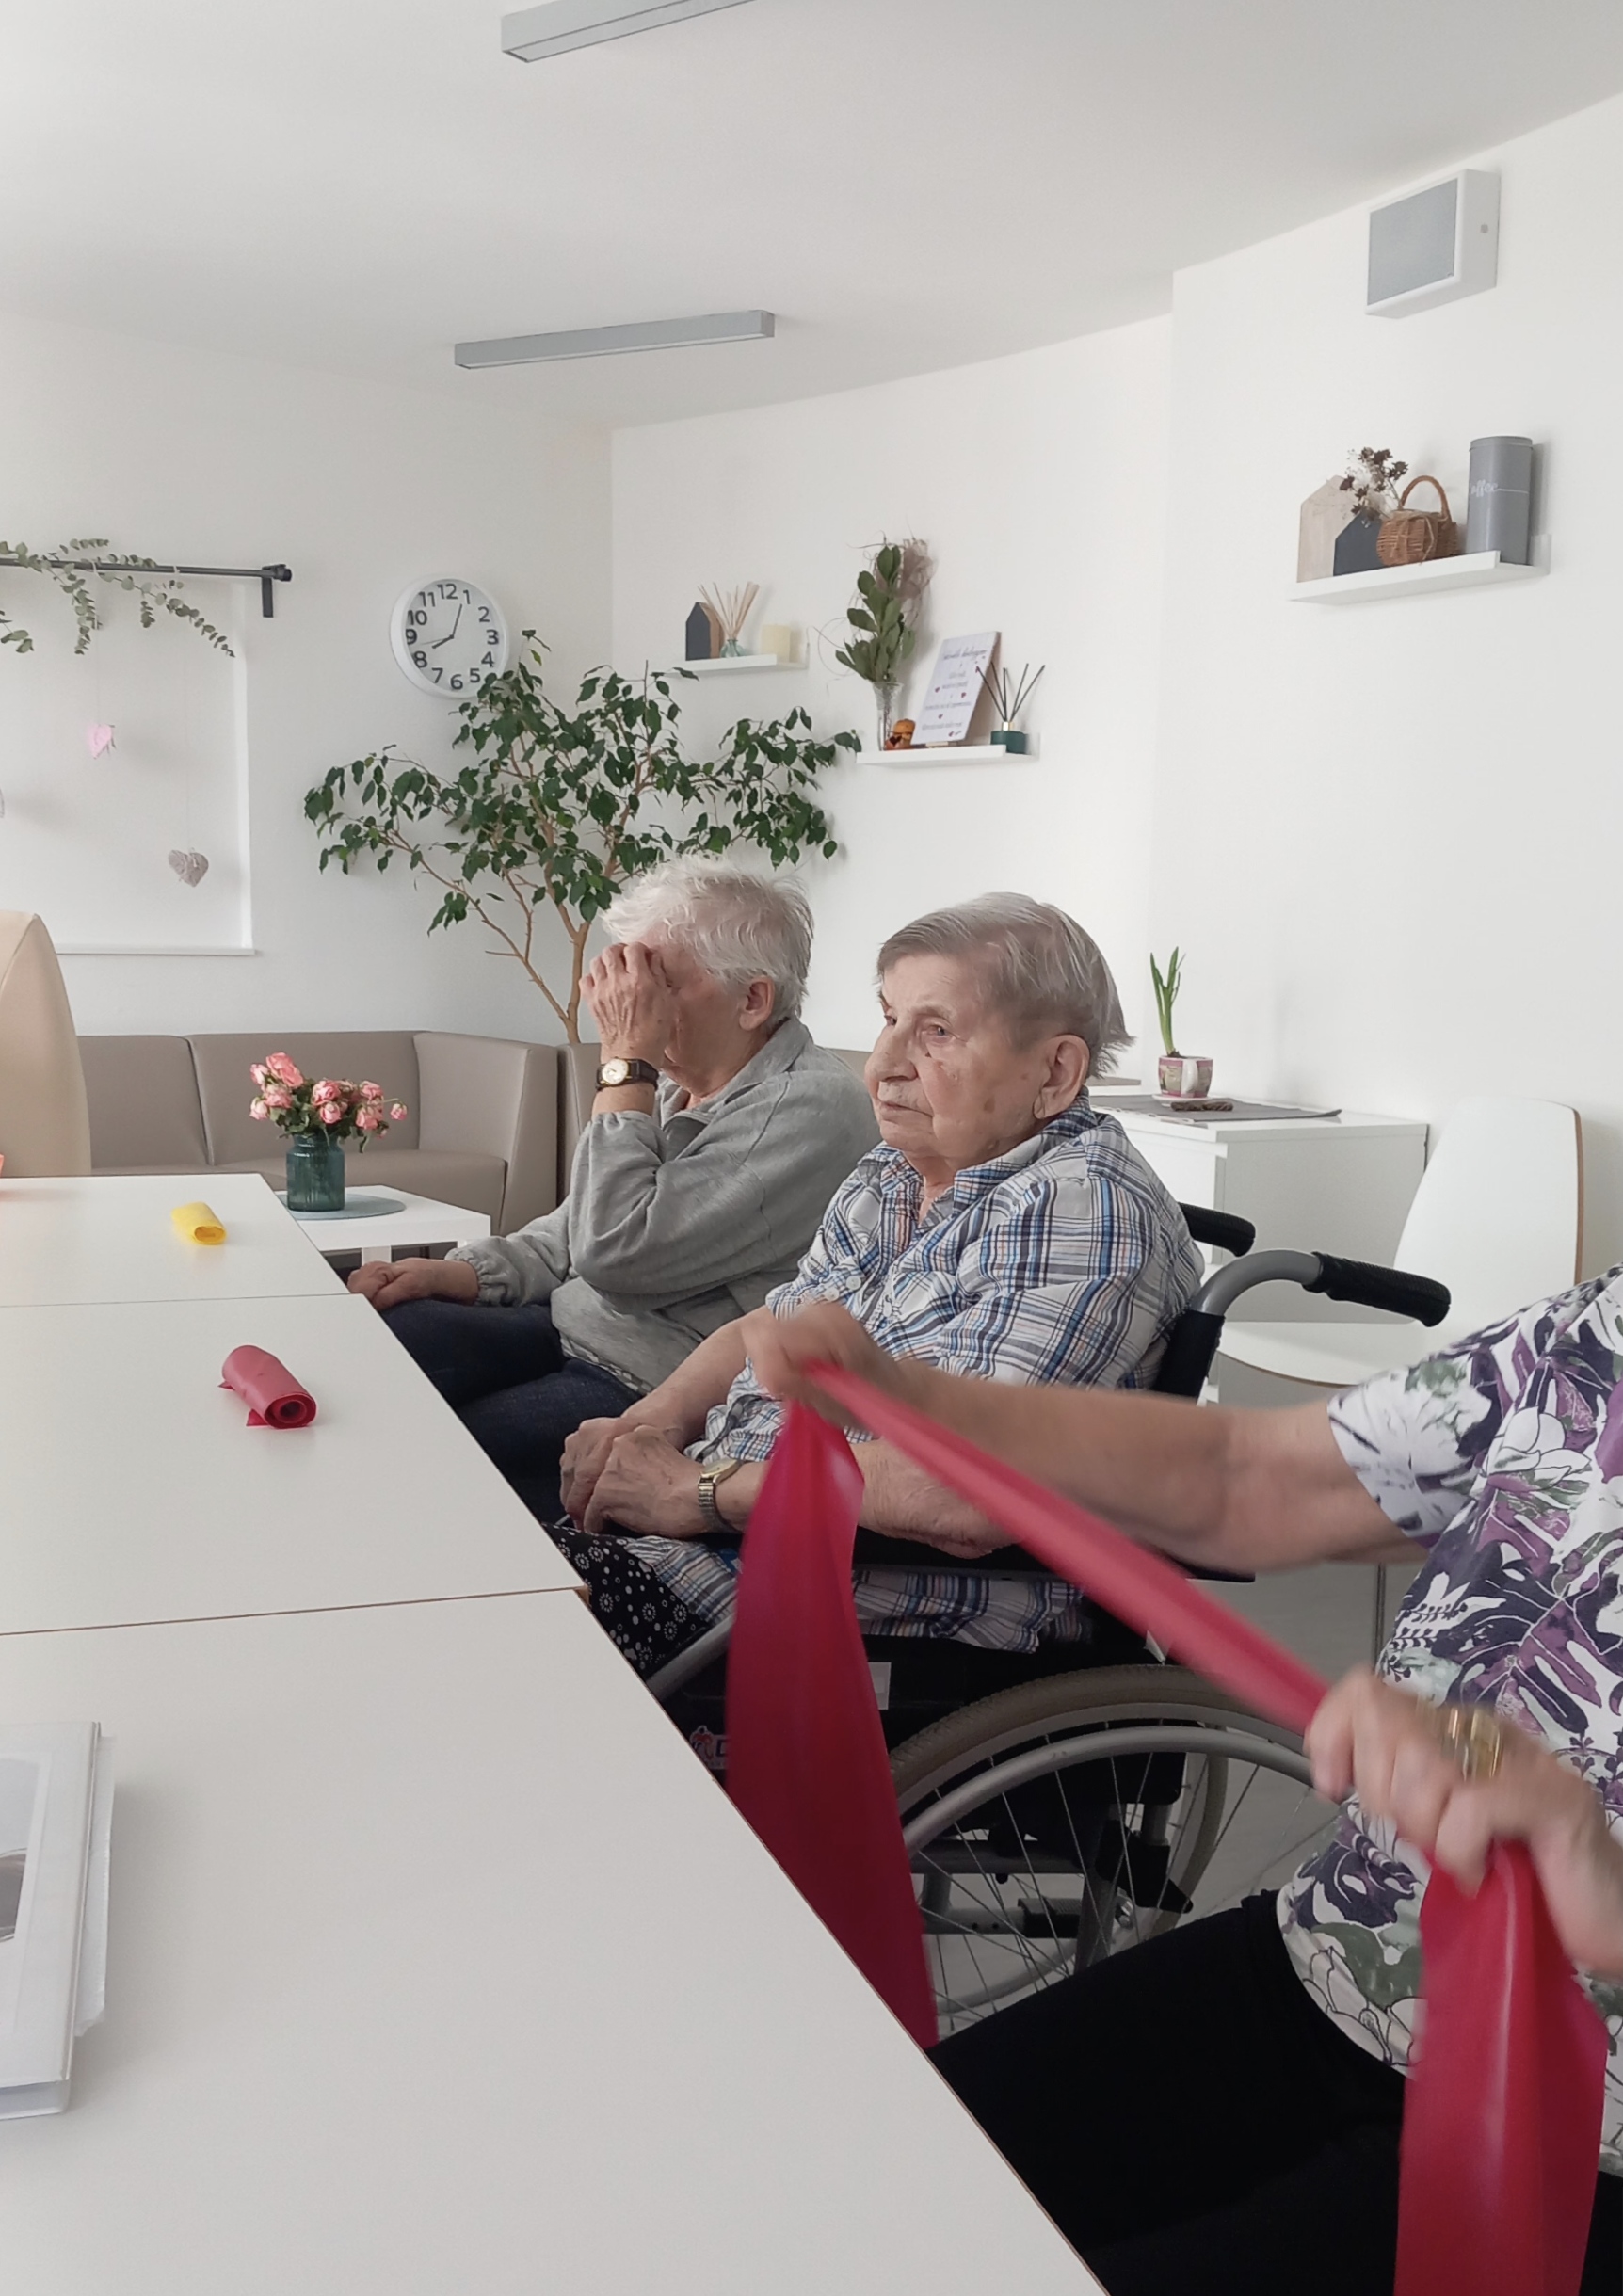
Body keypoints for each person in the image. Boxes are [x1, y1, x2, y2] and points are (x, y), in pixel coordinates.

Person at [737, 1279, 1623, 2295]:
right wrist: (912, 1397)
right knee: (844, 2195)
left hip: (1572, 2142)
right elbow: (1245, 1473)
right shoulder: (1592, 1335)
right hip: (1335, 1965)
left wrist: (1594, 1873)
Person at [554, 892, 1203, 1676]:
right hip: (726, 1538)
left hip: (848, 1599)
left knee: (491, 1640)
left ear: (1055, 1071)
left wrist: (698, 1492)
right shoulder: (894, 1173)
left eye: (936, 1032)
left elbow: (960, 1490)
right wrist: (646, 1424)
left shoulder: (1080, 1209)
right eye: (889, 1017)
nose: (881, 1064)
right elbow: (769, 1328)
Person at [350, 859, 876, 1520]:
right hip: (565, 1324)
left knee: (435, 1457)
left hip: (653, 1379)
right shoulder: (684, 1080)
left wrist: (626, 1063)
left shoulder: (807, 1108)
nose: (631, 1002)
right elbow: (576, 1224)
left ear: (752, 1000)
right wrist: (463, 1274)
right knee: (373, 1355)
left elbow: (615, 1253)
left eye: (658, 982)